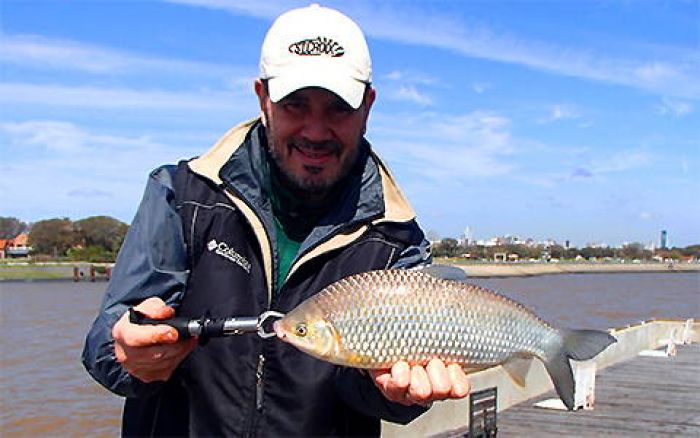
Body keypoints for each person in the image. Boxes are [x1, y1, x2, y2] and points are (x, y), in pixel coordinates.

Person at [82, 4, 470, 436]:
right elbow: (104, 345)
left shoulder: (397, 236)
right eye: (296, 104)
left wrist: (393, 393)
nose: (316, 131)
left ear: (368, 106)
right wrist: (129, 355)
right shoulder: (181, 195)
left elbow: (371, 395)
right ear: (262, 97)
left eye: (339, 108)